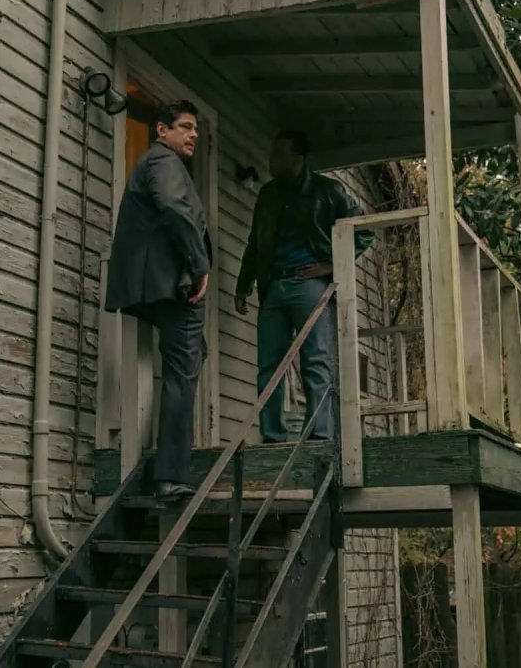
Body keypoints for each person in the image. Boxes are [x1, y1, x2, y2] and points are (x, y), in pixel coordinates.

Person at [235, 130, 373, 443]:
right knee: (269, 362)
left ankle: (320, 433)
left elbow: (363, 230)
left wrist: (332, 265)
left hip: (309, 283)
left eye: (278, 154)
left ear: (297, 158)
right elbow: (255, 243)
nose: (271, 160)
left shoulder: (327, 191)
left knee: (315, 359)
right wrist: (243, 285)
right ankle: (272, 434)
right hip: (273, 285)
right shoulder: (268, 194)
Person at [104, 100, 211, 500]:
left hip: (158, 285)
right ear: (162, 130)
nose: (193, 134)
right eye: (185, 126)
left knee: (192, 358)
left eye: (196, 129)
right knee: (184, 369)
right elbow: (173, 207)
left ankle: (168, 462)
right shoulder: (164, 162)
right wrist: (199, 265)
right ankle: (170, 474)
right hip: (174, 285)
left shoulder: (153, 162)